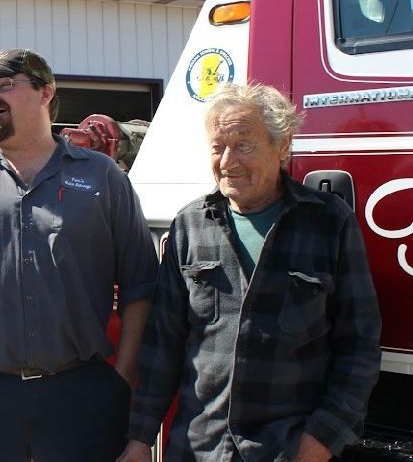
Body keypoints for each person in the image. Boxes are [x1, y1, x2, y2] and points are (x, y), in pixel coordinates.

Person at [0, 48, 157, 461]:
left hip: (79, 399)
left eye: (5, 85)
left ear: (45, 93)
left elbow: (140, 288)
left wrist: (120, 381)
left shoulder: (101, 177)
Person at [119, 83, 382, 461]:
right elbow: (163, 345)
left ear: (282, 146)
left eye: (243, 145)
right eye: (217, 146)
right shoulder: (190, 226)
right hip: (200, 449)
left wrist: (321, 439)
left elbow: (359, 345)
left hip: (288, 449)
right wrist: (141, 438)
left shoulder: (328, 223)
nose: (227, 161)